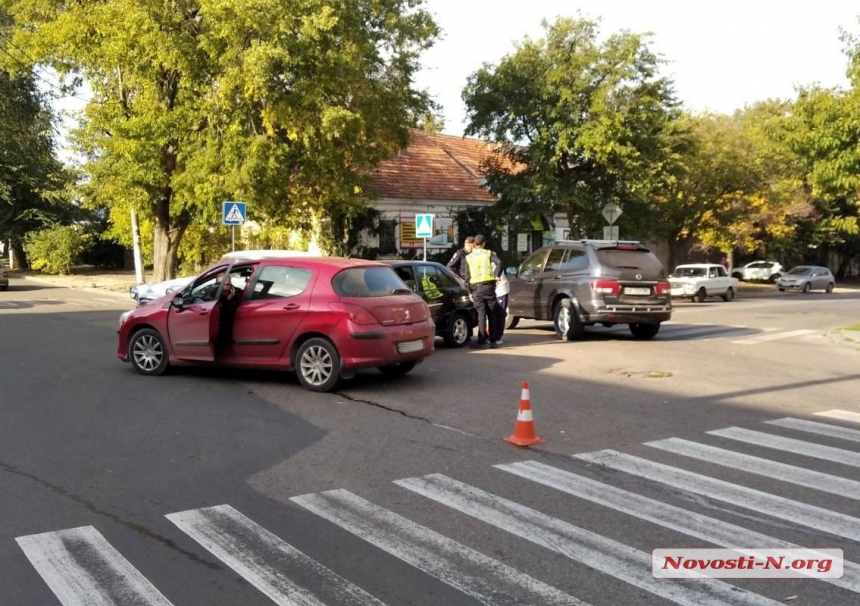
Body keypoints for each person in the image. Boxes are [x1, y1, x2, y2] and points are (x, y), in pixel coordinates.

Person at [465, 235, 502, 349]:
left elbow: (467, 277)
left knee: (481, 315)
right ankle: (493, 341)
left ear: (474, 244)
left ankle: (481, 342)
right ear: (484, 244)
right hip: (489, 287)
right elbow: (499, 263)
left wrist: (469, 292)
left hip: (476, 289)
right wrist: (496, 276)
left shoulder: (469, 257)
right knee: (492, 314)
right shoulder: (488, 253)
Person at [215, 272, 242, 350]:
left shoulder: (237, 293)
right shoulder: (214, 293)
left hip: (232, 328)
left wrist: (230, 299)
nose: (225, 287)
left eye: (228, 285)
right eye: (222, 285)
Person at [493, 260, 510, 344]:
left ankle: (497, 336)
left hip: (500, 291)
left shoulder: (493, 261)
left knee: (500, 314)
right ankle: (493, 335)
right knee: (494, 314)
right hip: (493, 291)